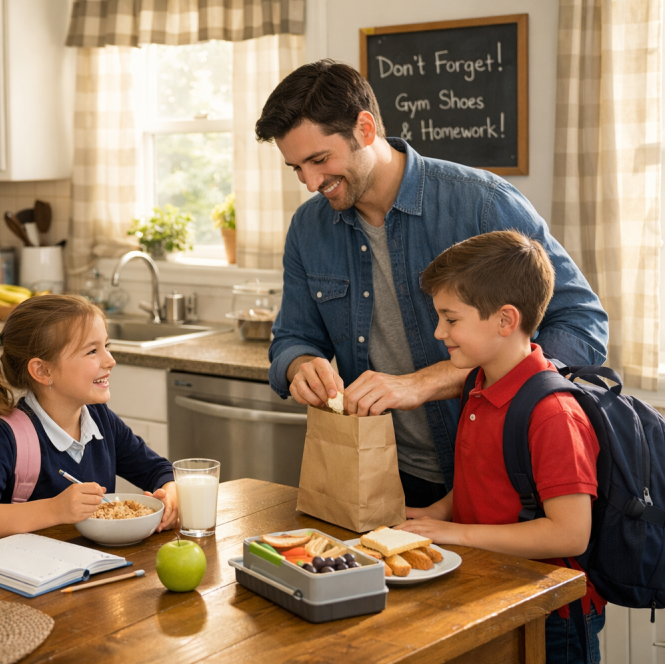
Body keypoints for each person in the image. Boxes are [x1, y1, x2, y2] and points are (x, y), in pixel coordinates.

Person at [255, 60, 608, 506]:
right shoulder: (308, 228)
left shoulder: (482, 203)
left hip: (505, 473)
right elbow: (292, 337)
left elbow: (583, 327)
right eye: (296, 168)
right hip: (384, 474)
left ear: (365, 129)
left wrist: (428, 381)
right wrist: (300, 366)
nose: (310, 183)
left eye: (319, 160)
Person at [398, 230, 604, 664]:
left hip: (552, 617)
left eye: (451, 319)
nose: (439, 332)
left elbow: (570, 536)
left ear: (505, 320)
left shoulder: (553, 415)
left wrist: (455, 533)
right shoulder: (480, 384)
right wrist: (427, 516)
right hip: (495, 594)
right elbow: (481, 477)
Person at [0, 294, 178, 542]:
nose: (110, 361)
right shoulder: (3, 436)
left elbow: (158, 469)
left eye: (106, 346)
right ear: (43, 371)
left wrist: (170, 496)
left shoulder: (100, 420)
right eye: (92, 351)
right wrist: (56, 509)